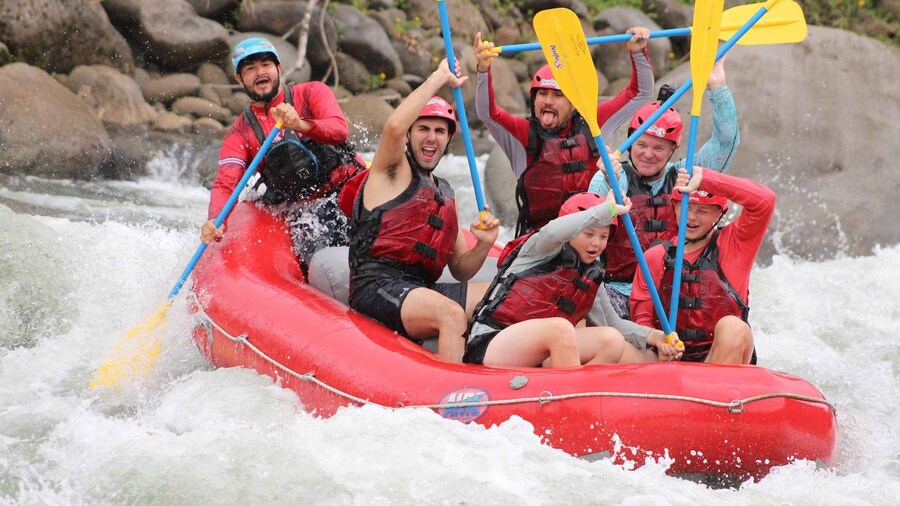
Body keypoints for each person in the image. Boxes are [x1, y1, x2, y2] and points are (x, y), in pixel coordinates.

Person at [348, 59, 500, 363]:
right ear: (409, 134)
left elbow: (461, 269)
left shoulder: (446, 193)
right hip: (376, 285)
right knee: (451, 314)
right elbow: (393, 127)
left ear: (448, 139)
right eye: (423, 129)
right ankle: (454, 388)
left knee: (503, 296)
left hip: (422, 289)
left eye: (440, 131)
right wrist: (438, 77)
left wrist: (484, 244)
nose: (432, 137)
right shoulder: (392, 170)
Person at [588, 56, 740, 319]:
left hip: (670, 293)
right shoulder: (613, 175)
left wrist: (717, 87)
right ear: (631, 143)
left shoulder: (685, 176)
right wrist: (605, 180)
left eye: (658, 148)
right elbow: (587, 226)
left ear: (672, 150)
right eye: (642, 145)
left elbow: (726, 142)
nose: (648, 154)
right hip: (618, 290)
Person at [201, 37, 365, 274]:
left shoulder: (310, 93)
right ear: (239, 79)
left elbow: (339, 130)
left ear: (278, 68)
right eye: (250, 68)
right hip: (309, 212)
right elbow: (226, 183)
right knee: (323, 266)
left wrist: (300, 124)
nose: (260, 72)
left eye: (266, 65)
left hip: (349, 189)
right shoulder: (240, 133)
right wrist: (215, 219)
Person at [464, 191, 683, 367]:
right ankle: (567, 398)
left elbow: (613, 323)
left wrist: (654, 336)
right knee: (561, 328)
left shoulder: (590, 275)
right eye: (589, 234)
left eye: (603, 236)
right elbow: (552, 232)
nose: (596, 244)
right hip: (491, 342)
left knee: (611, 339)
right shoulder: (540, 248)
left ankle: (578, 391)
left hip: (540, 353)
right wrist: (606, 210)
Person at [473, 28, 654, 237]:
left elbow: (640, 93)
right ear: (534, 99)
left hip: (591, 235)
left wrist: (638, 52)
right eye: (542, 94)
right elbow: (487, 113)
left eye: (558, 95)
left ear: (573, 102)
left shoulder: (593, 122)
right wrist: (483, 69)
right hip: (543, 238)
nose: (548, 101)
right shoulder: (522, 133)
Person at [630, 166, 775, 364]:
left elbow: (765, 200)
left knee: (733, 327)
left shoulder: (734, 245)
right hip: (670, 362)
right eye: (687, 207)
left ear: (718, 214)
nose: (691, 217)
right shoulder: (654, 257)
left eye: (702, 211)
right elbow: (642, 319)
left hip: (720, 359)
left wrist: (706, 179)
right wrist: (659, 344)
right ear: (675, 207)